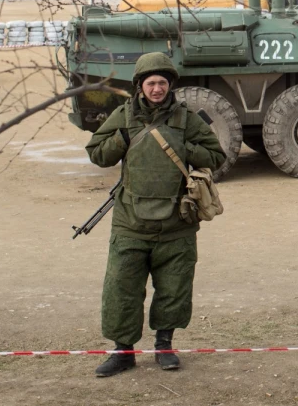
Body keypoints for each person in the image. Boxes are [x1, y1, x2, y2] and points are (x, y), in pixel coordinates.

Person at [85, 52, 226, 376]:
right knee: (122, 287)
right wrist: (121, 138)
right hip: (130, 223)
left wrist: (185, 149)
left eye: (162, 82)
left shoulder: (185, 118)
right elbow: (96, 152)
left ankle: (165, 345)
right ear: (140, 86)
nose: (157, 88)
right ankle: (123, 352)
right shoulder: (123, 115)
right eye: (151, 83)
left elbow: (215, 155)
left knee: (174, 287)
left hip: (176, 224)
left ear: (170, 84)